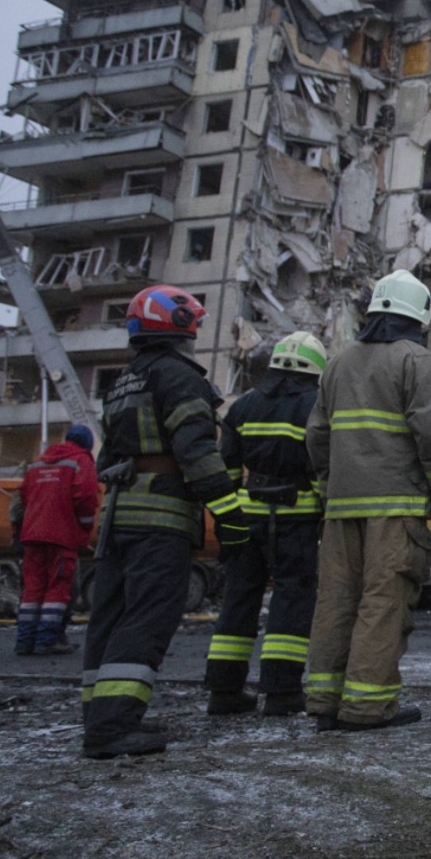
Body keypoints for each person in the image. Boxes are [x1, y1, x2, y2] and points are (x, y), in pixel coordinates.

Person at [82, 286, 247, 759]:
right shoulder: (179, 378)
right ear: (181, 327)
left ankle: (100, 715)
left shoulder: (123, 381)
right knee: (148, 616)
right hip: (161, 519)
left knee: (109, 617)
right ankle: (113, 727)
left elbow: (105, 460)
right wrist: (231, 518)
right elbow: (197, 455)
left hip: (118, 515)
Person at [305, 270, 431, 731]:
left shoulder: (337, 363)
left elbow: (316, 435)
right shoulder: (416, 361)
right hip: (395, 509)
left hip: (341, 508)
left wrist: (329, 487)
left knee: (335, 601)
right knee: (383, 601)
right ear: (420, 317)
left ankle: (325, 702)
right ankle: (367, 707)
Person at [206, 331, 328, 717]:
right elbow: (322, 466)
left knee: (239, 597)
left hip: (248, 513)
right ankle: (282, 691)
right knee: (292, 598)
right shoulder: (315, 405)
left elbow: (224, 464)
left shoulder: (244, 405)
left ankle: (224, 691)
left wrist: (228, 513)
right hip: (298, 515)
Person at [11, 426, 100, 657]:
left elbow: (24, 496)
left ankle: (24, 641)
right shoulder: (81, 461)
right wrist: (84, 531)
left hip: (32, 535)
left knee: (32, 590)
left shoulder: (38, 463)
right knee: (58, 589)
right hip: (61, 536)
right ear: (87, 443)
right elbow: (87, 498)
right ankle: (47, 641)